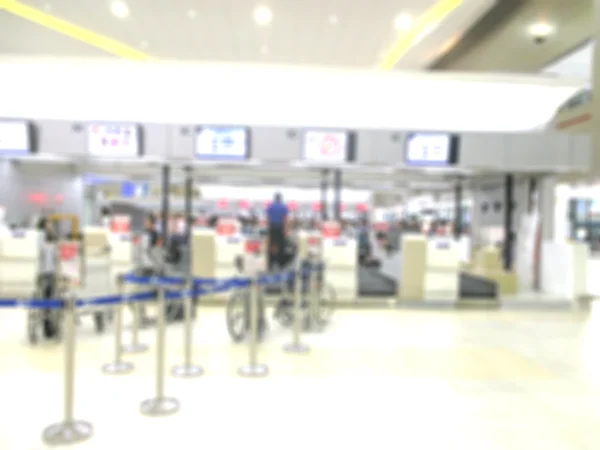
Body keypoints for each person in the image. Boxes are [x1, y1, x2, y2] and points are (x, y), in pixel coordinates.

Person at [266, 192, 289, 271]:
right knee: (281, 246)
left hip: (272, 228)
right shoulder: (284, 207)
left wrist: (268, 229)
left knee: (271, 246)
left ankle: (270, 264)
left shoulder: (270, 207)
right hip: (280, 228)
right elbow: (285, 219)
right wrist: (286, 230)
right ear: (281, 198)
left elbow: (268, 219)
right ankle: (280, 264)